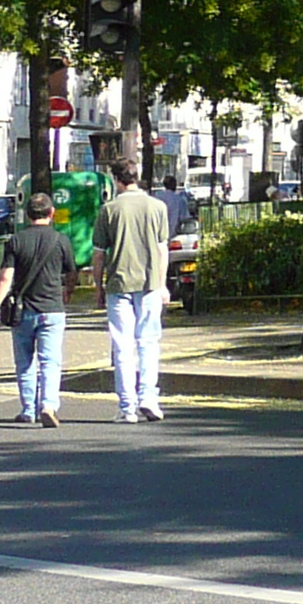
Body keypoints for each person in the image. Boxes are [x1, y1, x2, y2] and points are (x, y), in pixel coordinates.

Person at [0, 192, 75, 427]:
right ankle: (48, 405)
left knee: (24, 361)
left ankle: (28, 409)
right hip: (53, 308)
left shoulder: (16, 240)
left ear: (27, 215)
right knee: (51, 361)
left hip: (23, 309)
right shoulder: (61, 240)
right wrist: (68, 291)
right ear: (51, 213)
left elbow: (5, 277)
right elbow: (71, 273)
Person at [95, 166, 172, 424]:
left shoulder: (108, 210)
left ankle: (127, 407)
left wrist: (98, 286)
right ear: (136, 177)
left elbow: (99, 254)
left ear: (116, 180)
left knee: (123, 346)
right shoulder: (157, 207)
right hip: (150, 283)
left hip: (119, 283)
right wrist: (162, 285)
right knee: (149, 342)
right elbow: (162, 250)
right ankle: (149, 397)